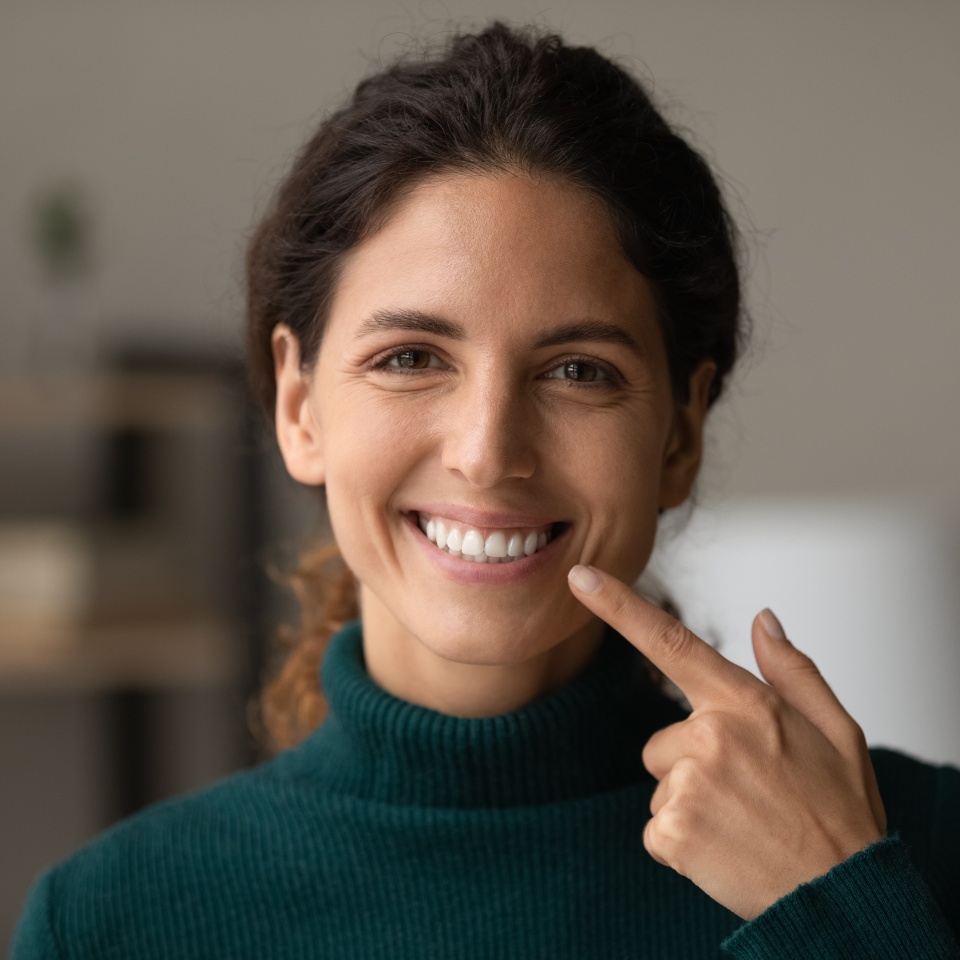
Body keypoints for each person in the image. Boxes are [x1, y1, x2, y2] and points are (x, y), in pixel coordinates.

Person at [12, 22, 959, 959]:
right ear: (300, 406)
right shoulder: (110, 922)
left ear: (681, 430)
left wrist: (837, 915)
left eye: (578, 371)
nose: (486, 451)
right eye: (412, 357)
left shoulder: (916, 855)